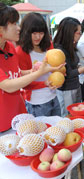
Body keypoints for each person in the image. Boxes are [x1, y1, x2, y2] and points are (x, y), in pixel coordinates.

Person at [0, 3, 63, 132]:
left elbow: (16, 74)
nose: (19, 28)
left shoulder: (9, 47)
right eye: (14, 24)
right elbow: (7, 85)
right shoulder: (19, 50)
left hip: (18, 115)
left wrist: (31, 71)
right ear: (0, 29)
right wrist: (40, 73)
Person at [16, 12, 61, 117]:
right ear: (26, 32)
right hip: (37, 102)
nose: (38, 37)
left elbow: (54, 69)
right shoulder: (21, 52)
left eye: (41, 33)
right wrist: (44, 83)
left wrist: (60, 71)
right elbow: (23, 82)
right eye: (34, 33)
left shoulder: (48, 46)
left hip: (53, 96)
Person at [53, 17, 84, 117]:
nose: (80, 35)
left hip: (75, 86)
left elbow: (73, 65)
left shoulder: (71, 46)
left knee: (77, 114)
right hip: (66, 89)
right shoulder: (59, 50)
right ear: (70, 32)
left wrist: (82, 68)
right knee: (68, 117)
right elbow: (68, 74)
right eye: (78, 32)